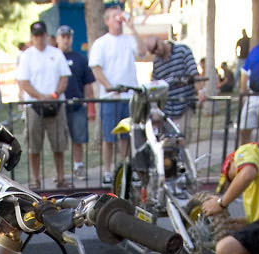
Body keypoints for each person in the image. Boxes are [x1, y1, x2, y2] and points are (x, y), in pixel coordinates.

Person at [89, 6, 148, 186]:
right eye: (114, 16)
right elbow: (96, 69)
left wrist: (133, 28)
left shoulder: (129, 40)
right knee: (109, 137)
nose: (118, 18)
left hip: (129, 97)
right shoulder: (101, 43)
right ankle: (107, 171)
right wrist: (110, 88)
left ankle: (125, 169)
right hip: (111, 98)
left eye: (119, 15)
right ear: (107, 21)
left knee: (127, 137)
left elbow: (143, 51)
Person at [17, 20, 71, 190]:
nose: (39, 39)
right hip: (34, 106)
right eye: (36, 36)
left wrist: (53, 95)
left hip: (55, 104)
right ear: (32, 37)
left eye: (42, 35)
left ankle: (60, 177)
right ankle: (35, 179)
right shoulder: (26, 56)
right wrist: (40, 97)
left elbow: (64, 77)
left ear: (47, 36)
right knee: (34, 145)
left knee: (58, 144)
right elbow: (24, 82)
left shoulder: (56, 53)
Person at [55, 25, 95, 182]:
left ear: (71, 38)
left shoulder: (80, 58)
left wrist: (86, 102)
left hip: (77, 105)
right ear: (58, 38)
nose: (65, 40)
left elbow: (88, 83)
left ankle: (78, 166)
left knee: (78, 139)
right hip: (58, 107)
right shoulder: (53, 57)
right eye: (62, 37)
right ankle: (60, 173)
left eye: (68, 36)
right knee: (59, 141)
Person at [146, 36, 199, 137]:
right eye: (152, 52)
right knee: (167, 144)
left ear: (160, 40)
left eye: (156, 47)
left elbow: (194, 74)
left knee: (181, 139)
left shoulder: (182, 50)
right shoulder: (157, 62)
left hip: (184, 105)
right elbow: (155, 85)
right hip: (167, 110)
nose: (156, 52)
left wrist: (201, 92)